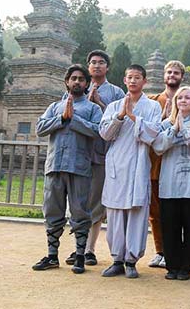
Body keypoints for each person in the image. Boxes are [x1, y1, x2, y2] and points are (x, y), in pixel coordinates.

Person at [32, 64, 102, 274]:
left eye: (81, 79)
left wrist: (74, 118)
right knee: (52, 210)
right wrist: (62, 118)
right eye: (73, 78)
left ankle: (80, 256)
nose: (77, 82)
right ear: (67, 82)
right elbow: (40, 128)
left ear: (87, 84)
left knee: (80, 212)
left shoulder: (93, 109)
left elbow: (97, 131)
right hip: (54, 166)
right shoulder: (55, 106)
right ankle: (52, 256)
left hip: (79, 167)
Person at [99, 64, 162, 279]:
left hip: (138, 165)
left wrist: (134, 117)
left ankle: (131, 260)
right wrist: (120, 116)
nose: (133, 81)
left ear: (144, 81)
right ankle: (117, 259)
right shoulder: (114, 105)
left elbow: (153, 134)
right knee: (115, 214)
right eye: (129, 77)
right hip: (117, 163)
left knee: (137, 212)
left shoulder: (152, 107)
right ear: (124, 81)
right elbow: (105, 134)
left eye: (137, 77)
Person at [143, 86, 190, 281]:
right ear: (174, 102)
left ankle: (187, 267)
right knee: (170, 226)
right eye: (179, 98)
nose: (183, 101)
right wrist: (174, 129)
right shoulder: (165, 124)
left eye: (187, 97)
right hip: (169, 183)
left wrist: (187, 132)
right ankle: (172, 265)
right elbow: (158, 147)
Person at [64, 50, 124, 267]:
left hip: (101, 154)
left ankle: (89, 250)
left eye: (101, 63)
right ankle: (77, 248)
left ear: (107, 67)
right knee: (77, 202)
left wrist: (99, 103)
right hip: (77, 153)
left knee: (96, 203)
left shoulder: (116, 92)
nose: (97, 66)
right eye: (93, 63)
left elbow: (121, 121)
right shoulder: (76, 88)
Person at [146, 60, 186, 268]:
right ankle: (160, 251)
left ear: (182, 76)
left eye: (176, 72)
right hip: (155, 164)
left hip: (178, 164)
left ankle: (176, 250)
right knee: (156, 212)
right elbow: (149, 129)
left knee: (177, 210)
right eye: (169, 72)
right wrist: (165, 115)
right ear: (163, 75)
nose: (172, 75)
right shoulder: (153, 100)